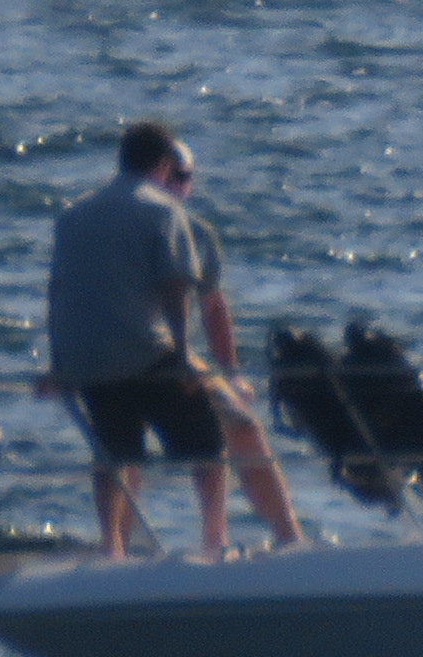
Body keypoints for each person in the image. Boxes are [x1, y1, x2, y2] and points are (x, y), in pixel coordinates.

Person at [45, 120, 305, 559]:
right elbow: (176, 286)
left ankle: (112, 550)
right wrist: (184, 355)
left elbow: (58, 290)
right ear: (164, 166)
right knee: (213, 443)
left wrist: (57, 366)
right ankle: (218, 541)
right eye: (177, 174)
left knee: (117, 452)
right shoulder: (166, 214)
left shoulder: (74, 215)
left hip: (86, 361)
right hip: (149, 353)